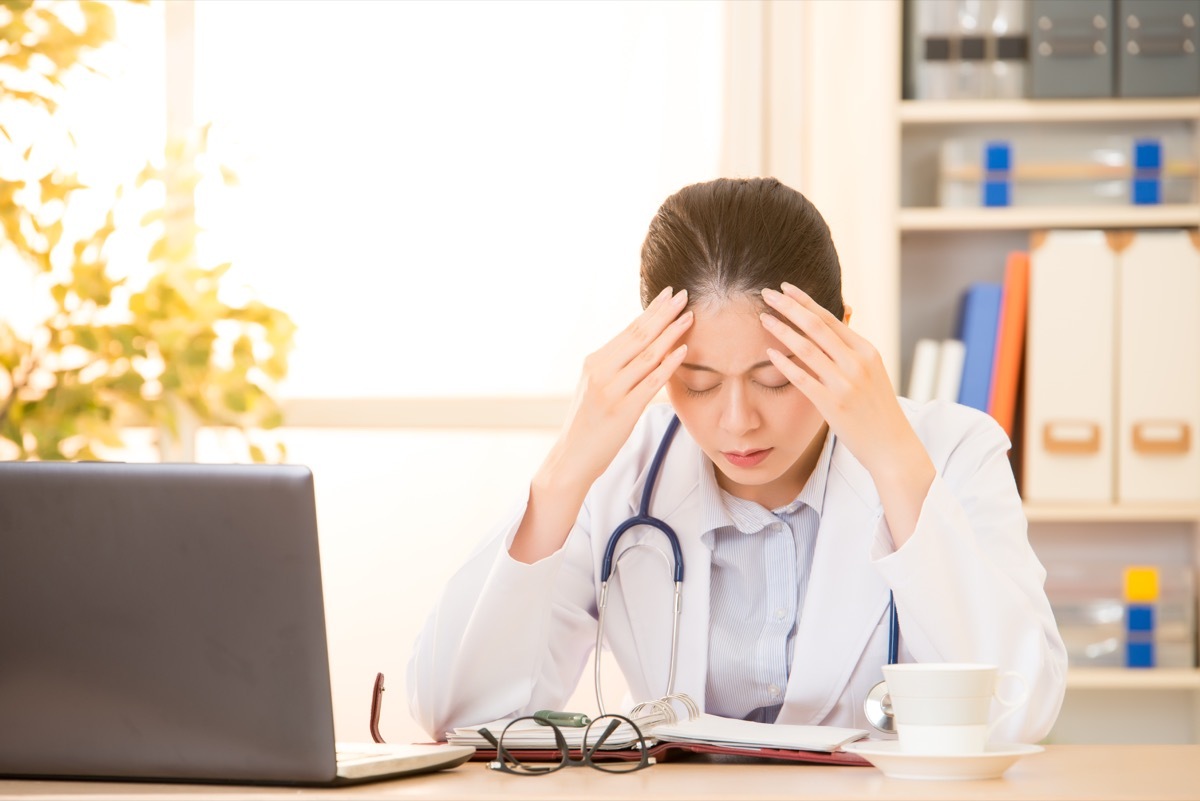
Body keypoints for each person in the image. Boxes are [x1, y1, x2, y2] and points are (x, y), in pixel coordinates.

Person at [407, 177, 1067, 742]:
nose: (736, 420)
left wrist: (894, 460)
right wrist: (562, 474)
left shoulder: (950, 451)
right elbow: (458, 715)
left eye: (775, 377)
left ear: (840, 336)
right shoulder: (621, 476)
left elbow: (1018, 709)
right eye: (696, 381)